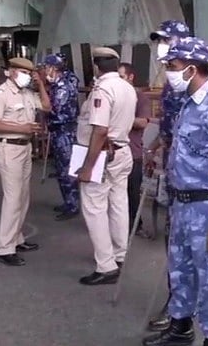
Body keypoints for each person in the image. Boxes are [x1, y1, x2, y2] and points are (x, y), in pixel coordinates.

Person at [142, 37, 208, 346]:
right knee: (181, 271)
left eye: (172, 66)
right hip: (183, 205)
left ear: (192, 68)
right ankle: (180, 329)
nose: (169, 73)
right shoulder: (188, 103)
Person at [75, 47, 137, 285]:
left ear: (96, 66)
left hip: (102, 154)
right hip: (122, 150)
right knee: (119, 203)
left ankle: (106, 265)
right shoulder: (127, 87)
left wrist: (87, 167)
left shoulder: (103, 89)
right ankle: (120, 255)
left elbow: (100, 130)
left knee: (94, 208)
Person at [145, 19, 191, 332]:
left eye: (167, 40)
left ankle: (183, 309)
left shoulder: (195, 87)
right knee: (174, 241)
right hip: (174, 175)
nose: (162, 46)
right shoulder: (170, 84)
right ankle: (179, 304)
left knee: (188, 247)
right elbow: (168, 128)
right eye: (160, 41)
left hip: (194, 183)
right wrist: (155, 149)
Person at [0, 57, 51, 266]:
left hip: (25, 147)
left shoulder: (27, 93)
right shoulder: (0, 94)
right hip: (8, 148)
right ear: (12, 72)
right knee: (13, 199)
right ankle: (5, 248)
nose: (27, 77)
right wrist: (22, 128)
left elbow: (46, 106)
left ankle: (16, 238)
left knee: (23, 196)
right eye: (25, 73)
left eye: (30, 74)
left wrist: (40, 84)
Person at [42, 54, 81, 221]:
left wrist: (43, 106)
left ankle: (73, 205)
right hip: (61, 131)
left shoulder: (63, 87)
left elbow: (54, 110)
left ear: (53, 68)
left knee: (66, 170)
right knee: (61, 169)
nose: (45, 71)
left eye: (46, 67)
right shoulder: (64, 82)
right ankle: (68, 201)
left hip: (64, 132)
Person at [118, 62, 152, 237]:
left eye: (121, 77)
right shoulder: (113, 95)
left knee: (132, 193)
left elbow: (142, 122)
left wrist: (120, 117)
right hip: (113, 152)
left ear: (131, 77)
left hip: (133, 152)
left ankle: (135, 226)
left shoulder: (140, 98)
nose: (118, 81)